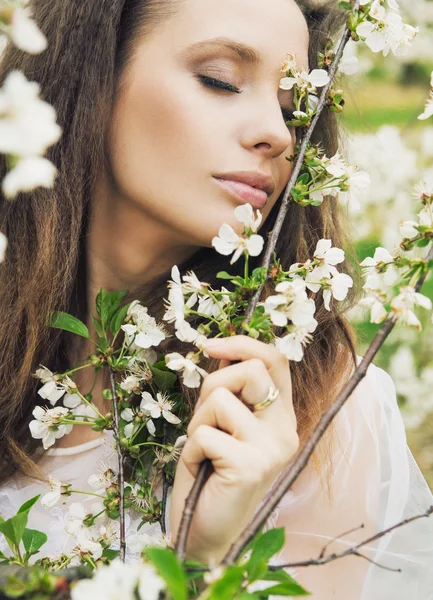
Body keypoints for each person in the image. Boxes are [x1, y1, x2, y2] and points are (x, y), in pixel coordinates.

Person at [0, 0, 432, 597]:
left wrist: (202, 560)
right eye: (220, 81)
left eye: (291, 109)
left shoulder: (311, 413)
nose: (278, 135)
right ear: (91, 73)